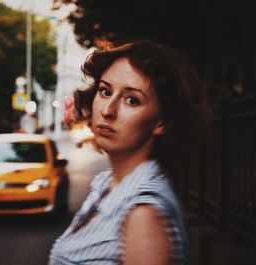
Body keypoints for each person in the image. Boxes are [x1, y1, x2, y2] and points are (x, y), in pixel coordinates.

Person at [48, 40, 211, 265]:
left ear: (161, 121)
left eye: (132, 100)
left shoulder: (143, 213)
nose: (108, 110)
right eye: (105, 91)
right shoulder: (107, 184)